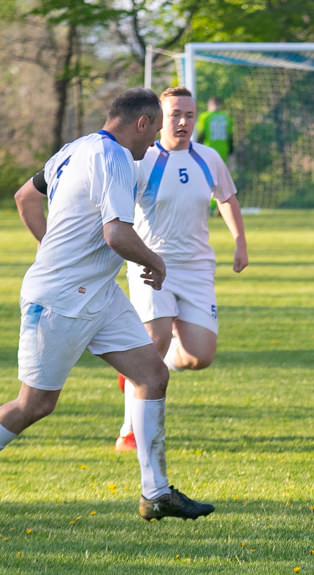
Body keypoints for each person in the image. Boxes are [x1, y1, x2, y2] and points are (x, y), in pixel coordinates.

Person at [5, 88, 214, 521]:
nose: (151, 144)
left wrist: (53, 247)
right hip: (61, 298)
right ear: (141, 124)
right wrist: (155, 262)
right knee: (34, 406)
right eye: (153, 131)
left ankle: (155, 493)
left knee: (152, 374)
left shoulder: (73, 148)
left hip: (98, 292)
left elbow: (25, 196)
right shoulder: (117, 157)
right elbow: (116, 233)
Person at [113, 86, 249, 451]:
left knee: (198, 357)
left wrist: (239, 241)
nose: (184, 122)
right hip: (150, 263)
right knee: (154, 343)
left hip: (197, 269)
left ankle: (138, 368)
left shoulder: (208, 158)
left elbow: (227, 198)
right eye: (175, 114)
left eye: (189, 115)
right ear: (159, 118)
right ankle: (130, 430)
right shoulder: (143, 160)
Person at [195, 96, 233, 162]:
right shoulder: (226, 117)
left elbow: (201, 134)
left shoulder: (204, 116)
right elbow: (230, 137)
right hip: (223, 151)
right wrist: (231, 152)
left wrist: (196, 150)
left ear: (209, 105)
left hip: (208, 150)